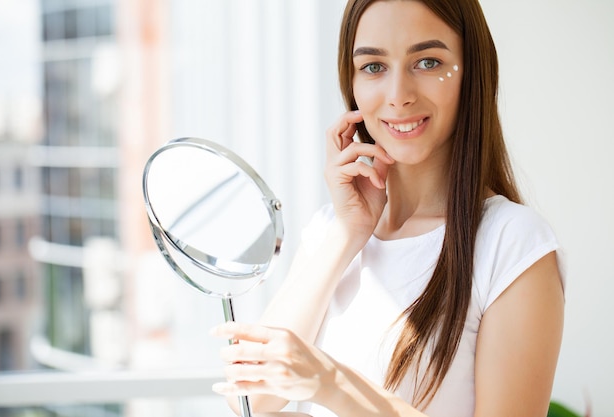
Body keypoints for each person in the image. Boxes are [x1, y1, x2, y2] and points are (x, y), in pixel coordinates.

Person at [210, 0, 565, 416]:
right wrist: (348, 233)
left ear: (472, 72)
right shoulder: (332, 230)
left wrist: (332, 383)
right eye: (374, 67)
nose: (398, 96)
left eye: (428, 61)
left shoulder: (512, 243)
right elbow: (252, 395)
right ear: (352, 83)